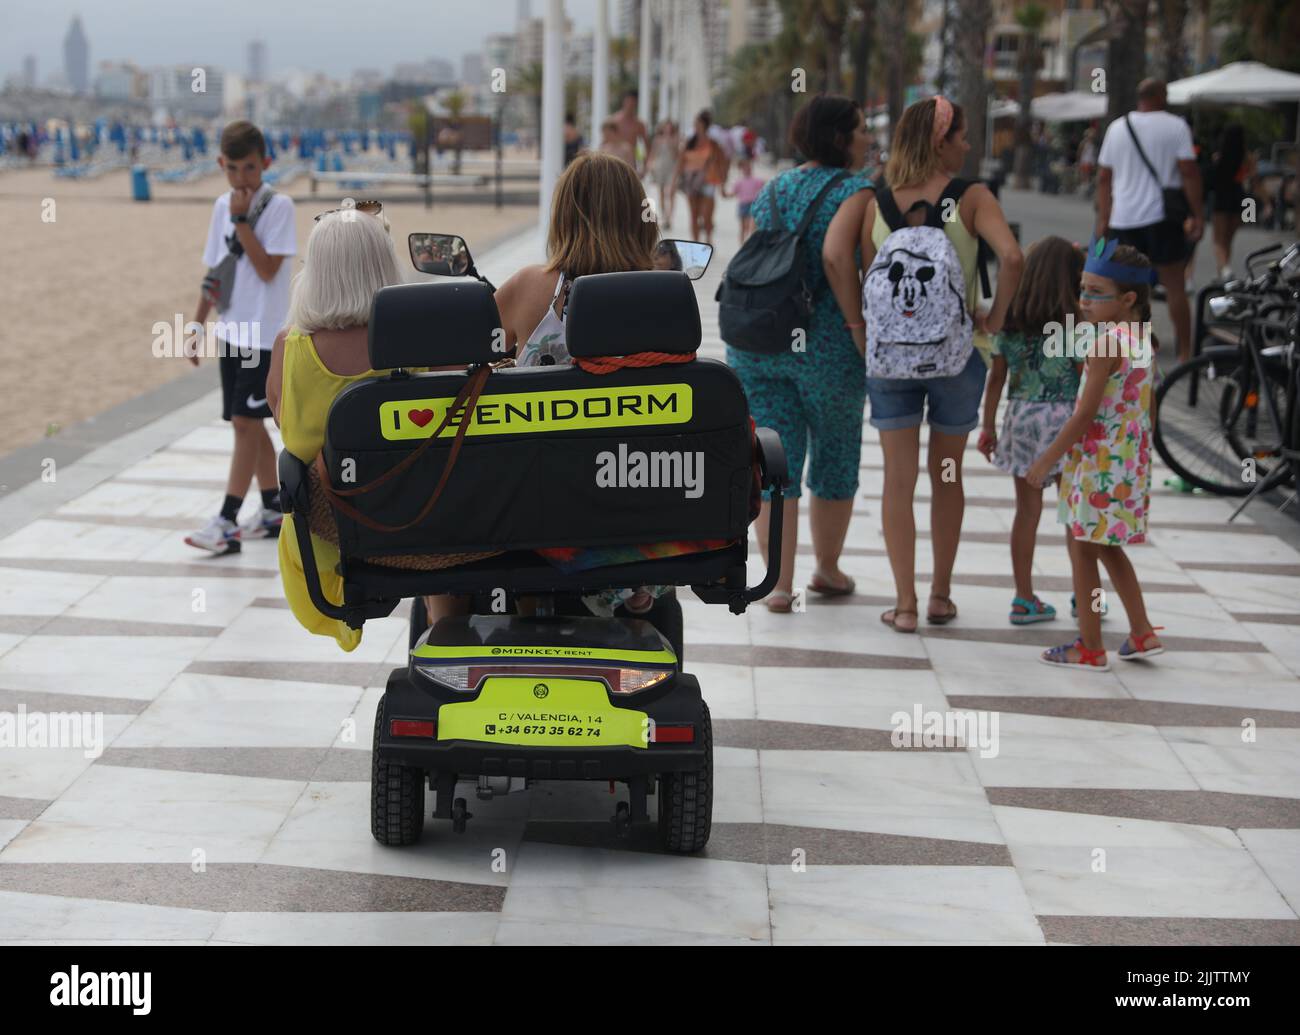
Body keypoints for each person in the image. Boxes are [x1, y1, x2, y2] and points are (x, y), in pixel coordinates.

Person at [857, 96, 1024, 633]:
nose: (969, 146)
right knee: (947, 474)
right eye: (962, 137)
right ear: (939, 141)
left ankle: (903, 605)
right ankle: (940, 596)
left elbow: (868, 279)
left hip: (891, 361)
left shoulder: (878, 202)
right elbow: (1014, 257)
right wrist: (994, 319)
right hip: (957, 358)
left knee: (897, 480)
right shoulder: (970, 197)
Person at [493, 151, 680, 618]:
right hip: (632, 503)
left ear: (562, 216)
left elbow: (467, 361)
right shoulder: (662, 295)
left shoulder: (526, 287)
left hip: (535, 509)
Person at [724, 93, 874, 612]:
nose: (869, 137)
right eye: (861, 129)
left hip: (762, 343)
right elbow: (837, 257)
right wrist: (857, 325)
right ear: (840, 137)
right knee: (834, 456)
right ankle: (827, 571)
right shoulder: (857, 191)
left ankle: (780, 586)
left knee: (774, 462)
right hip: (826, 345)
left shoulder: (776, 187)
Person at [265, 208, 427, 651]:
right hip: (415, 522)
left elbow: (282, 418)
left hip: (325, 539)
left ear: (316, 272)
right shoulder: (416, 340)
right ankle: (439, 636)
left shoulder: (289, 347)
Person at [1027, 241, 1163, 670]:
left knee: (1085, 550)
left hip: (1097, 463)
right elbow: (1148, 404)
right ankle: (1141, 632)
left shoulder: (1104, 344)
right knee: (1107, 548)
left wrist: (1047, 459)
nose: (1083, 299)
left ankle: (1089, 645)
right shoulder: (1142, 339)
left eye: (1095, 292)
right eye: (1082, 289)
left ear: (1127, 299)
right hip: (1126, 459)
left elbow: (1085, 413)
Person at [184, 120, 297, 555]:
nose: (241, 178)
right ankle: (272, 508)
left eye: (249, 168)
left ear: (265, 163)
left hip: (264, 336)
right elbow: (216, 273)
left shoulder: (279, 206)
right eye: (232, 169)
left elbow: (268, 269)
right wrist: (196, 325)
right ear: (221, 165)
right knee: (246, 424)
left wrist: (241, 222)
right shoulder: (220, 207)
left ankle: (227, 521)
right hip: (232, 332)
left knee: (248, 424)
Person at [977, 237, 1084, 625]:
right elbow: (1083, 377)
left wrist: (988, 426)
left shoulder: (1011, 321)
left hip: (1022, 417)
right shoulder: (1076, 325)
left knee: (1027, 512)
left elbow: (995, 380)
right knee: (1075, 512)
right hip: (1066, 421)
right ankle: (1084, 595)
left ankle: (1023, 598)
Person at [1095, 78, 1204, 363]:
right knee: (1174, 285)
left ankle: (1127, 351)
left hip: (1123, 218)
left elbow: (1104, 178)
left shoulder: (1117, 128)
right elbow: (1189, 172)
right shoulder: (1176, 126)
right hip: (1161, 218)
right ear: (1160, 95)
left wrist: (1103, 219)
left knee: (1125, 289)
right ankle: (1185, 353)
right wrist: (1197, 214)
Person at [671, 110, 729, 245]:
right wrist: (674, 182)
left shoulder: (713, 144)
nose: (695, 126)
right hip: (691, 181)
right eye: (694, 123)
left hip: (708, 180)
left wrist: (722, 185)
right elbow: (680, 163)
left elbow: (721, 163)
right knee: (694, 215)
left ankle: (708, 239)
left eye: (697, 123)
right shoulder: (689, 143)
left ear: (704, 125)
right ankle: (696, 243)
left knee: (706, 215)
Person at [1209, 125, 1255, 280]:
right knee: (1228, 239)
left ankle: (1225, 269)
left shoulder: (1218, 157)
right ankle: (1222, 271)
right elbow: (1253, 180)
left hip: (1221, 197)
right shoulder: (1246, 158)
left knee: (1218, 240)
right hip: (1239, 197)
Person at [726, 156, 766, 244]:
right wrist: (724, 193)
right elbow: (733, 193)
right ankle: (742, 244)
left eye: (749, 167)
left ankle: (751, 244)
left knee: (751, 226)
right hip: (743, 205)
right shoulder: (738, 182)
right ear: (741, 169)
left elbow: (765, 188)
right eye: (745, 167)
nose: (747, 169)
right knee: (743, 228)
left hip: (752, 205)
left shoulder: (757, 180)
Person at [608, 89, 649, 175]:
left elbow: (645, 145)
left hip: (630, 163)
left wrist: (645, 166)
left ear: (636, 103)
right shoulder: (614, 121)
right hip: (614, 161)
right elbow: (605, 141)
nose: (630, 104)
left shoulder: (639, 124)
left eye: (633, 102)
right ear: (624, 101)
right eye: (628, 101)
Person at [648, 120, 680, 230]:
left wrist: (670, 143)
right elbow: (653, 154)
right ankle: (664, 215)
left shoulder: (676, 140)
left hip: (672, 168)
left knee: (671, 193)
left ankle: (669, 218)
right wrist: (650, 165)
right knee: (661, 192)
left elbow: (677, 155)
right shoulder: (657, 140)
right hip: (660, 168)